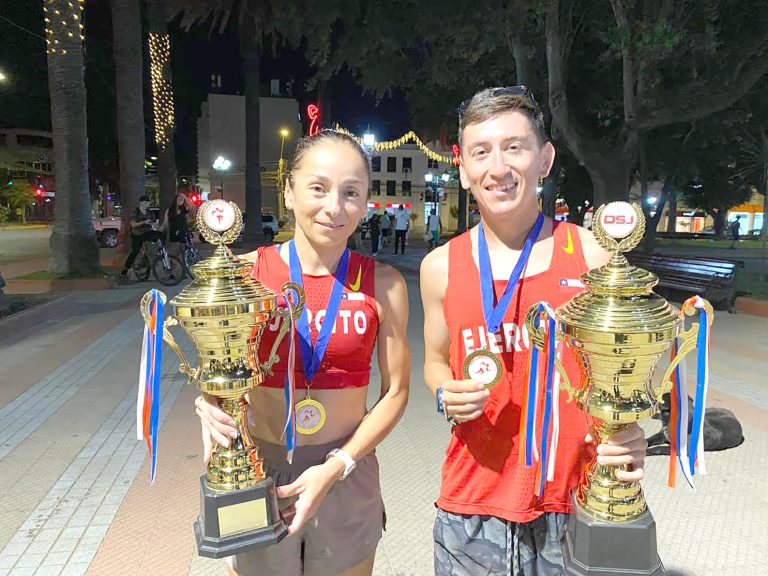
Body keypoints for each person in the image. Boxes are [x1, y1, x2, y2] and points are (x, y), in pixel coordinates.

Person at [420, 87, 647, 576]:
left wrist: (629, 429)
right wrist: (444, 390)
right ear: (463, 169)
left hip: (574, 496)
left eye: (515, 147)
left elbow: (626, 370)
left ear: (544, 159)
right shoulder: (439, 267)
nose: (498, 167)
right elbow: (435, 359)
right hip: (470, 503)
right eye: (481, 152)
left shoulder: (593, 257)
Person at [194, 129, 410, 576]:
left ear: (366, 201)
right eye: (318, 188)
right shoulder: (245, 274)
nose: (334, 207)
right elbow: (217, 370)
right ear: (288, 193)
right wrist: (210, 400)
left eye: (351, 192)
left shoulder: (384, 283)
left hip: (347, 467)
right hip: (261, 466)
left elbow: (396, 394)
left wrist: (338, 466)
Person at [119, 195, 164, 280]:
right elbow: (132, 224)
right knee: (135, 251)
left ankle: (157, 254)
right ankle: (124, 271)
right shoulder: (136, 211)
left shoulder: (150, 212)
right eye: (146, 203)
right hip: (137, 234)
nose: (148, 205)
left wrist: (161, 227)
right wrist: (143, 222)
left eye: (148, 203)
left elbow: (154, 225)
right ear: (142, 203)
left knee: (160, 235)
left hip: (147, 232)